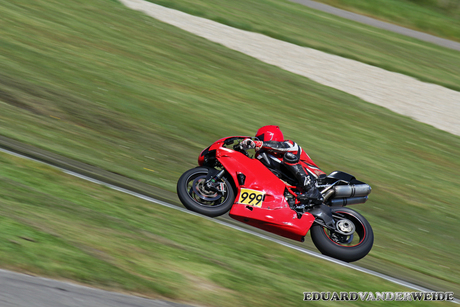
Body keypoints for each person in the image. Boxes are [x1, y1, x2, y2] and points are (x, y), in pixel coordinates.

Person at [241, 125, 324, 206]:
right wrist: (242, 150)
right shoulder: (265, 157)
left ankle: (312, 190)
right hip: (296, 186)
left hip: (317, 178)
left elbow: (280, 146)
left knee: (289, 157)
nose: (258, 141)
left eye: (260, 139)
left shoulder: (290, 144)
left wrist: (258, 143)